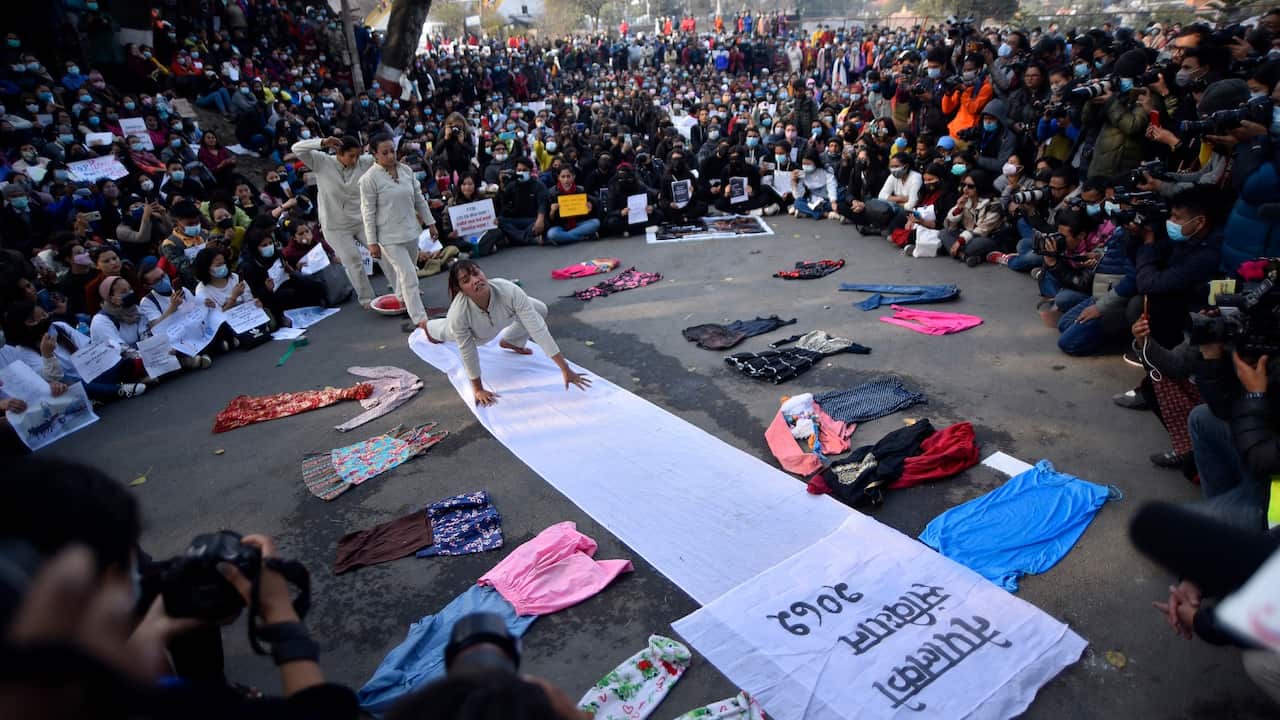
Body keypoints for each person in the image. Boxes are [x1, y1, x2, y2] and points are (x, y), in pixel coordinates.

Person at [423, 260, 590, 407]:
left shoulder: (508, 289)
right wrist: (478, 389)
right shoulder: (458, 314)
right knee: (444, 330)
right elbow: (467, 352)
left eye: (476, 273)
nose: (475, 280)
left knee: (539, 309)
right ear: (461, 290)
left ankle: (512, 341)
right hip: (478, 336)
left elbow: (537, 329)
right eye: (466, 281)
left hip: (501, 318)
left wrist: (565, 369)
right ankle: (427, 326)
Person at [292, 134, 387, 308]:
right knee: (353, 260)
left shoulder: (362, 163)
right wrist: (322, 142)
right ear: (339, 153)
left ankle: (402, 289)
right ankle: (367, 300)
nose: (355, 160)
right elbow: (296, 148)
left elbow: (381, 157)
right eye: (351, 156)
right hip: (335, 226)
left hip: (359, 221)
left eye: (358, 155)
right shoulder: (321, 162)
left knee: (382, 250)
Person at [359, 133, 436, 330]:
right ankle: (420, 319)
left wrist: (431, 223)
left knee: (408, 270)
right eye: (384, 153)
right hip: (388, 237)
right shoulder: (369, 180)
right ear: (374, 154)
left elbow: (419, 199)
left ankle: (403, 298)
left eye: (392, 151)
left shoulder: (407, 171)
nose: (390, 156)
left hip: (411, 231)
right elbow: (368, 213)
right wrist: (372, 242)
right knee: (409, 274)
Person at [3, 302, 147, 400]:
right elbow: (52, 379)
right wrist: (47, 356)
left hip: (91, 371)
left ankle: (141, 371)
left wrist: (105, 355)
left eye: (45, 315)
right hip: (72, 386)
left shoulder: (58, 327)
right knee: (78, 385)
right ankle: (120, 390)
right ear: (27, 324)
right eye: (40, 318)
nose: (46, 319)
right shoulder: (23, 351)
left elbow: (87, 347)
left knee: (122, 363)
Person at [546, 166, 601, 245]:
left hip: (578, 224)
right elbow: (549, 219)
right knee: (552, 234)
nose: (566, 180)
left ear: (574, 177)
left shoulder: (580, 190)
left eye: (568, 176)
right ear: (558, 177)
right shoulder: (551, 193)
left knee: (596, 223)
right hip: (561, 226)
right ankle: (583, 237)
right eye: (563, 177)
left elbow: (585, 214)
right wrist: (552, 210)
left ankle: (563, 238)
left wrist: (589, 208)